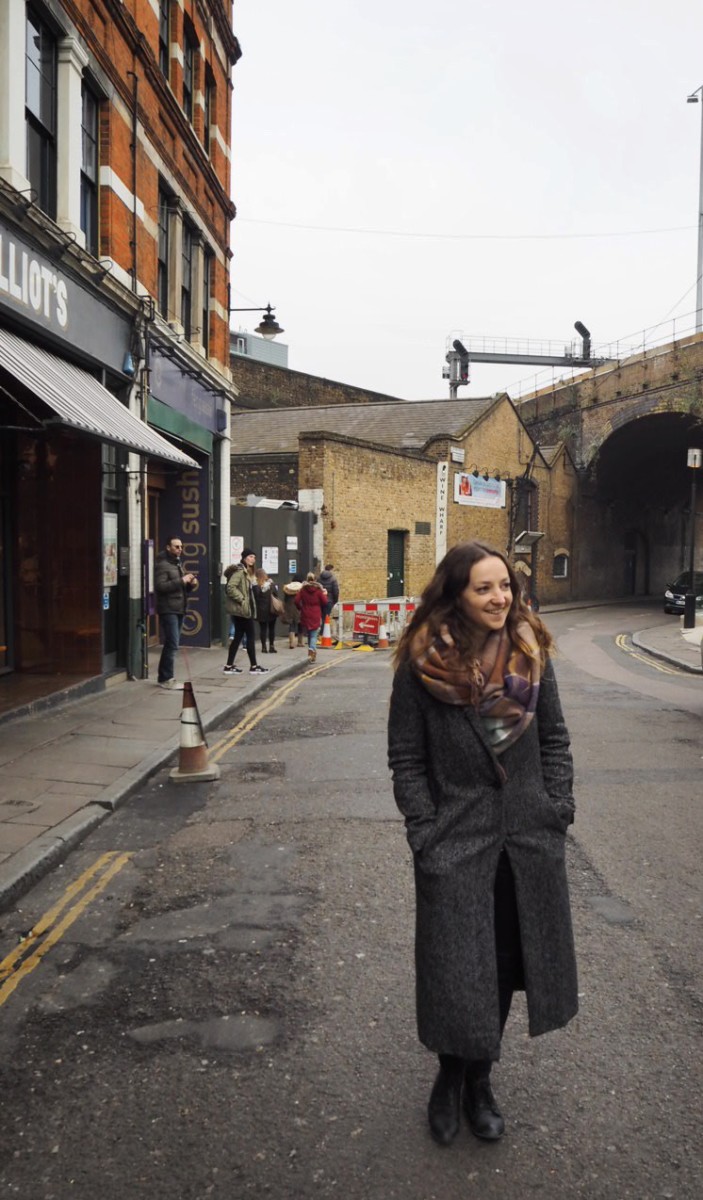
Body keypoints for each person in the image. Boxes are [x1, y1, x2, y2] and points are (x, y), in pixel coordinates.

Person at [387, 540, 577, 1147]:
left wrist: (558, 808)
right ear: (456, 595)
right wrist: (425, 832)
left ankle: (481, 1083)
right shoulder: (421, 668)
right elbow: (406, 759)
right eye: (485, 588)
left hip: (525, 838)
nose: (501, 599)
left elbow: (554, 740)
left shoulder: (531, 654)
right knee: (455, 968)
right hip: (456, 841)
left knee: (501, 966)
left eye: (506, 587)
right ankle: (449, 1079)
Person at [154, 536, 196, 689]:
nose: (180, 549)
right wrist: (182, 580)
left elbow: (181, 588)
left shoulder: (177, 564)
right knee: (172, 644)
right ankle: (166, 679)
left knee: (173, 644)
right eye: (176, 546)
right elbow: (160, 587)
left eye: (181, 546)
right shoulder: (162, 565)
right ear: (168, 547)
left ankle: (163, 677)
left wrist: (190, 584)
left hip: (179, 608)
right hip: (168, 609)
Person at [223, 549, 269, 676]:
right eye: (250, 556)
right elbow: (230, 588)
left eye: (254, 556)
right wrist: (242, 599)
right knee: (250, 636)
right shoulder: (240, 572)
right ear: (244, 558)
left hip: (243, 610)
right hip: (241, 610)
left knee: (238, 637)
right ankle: (253, 666)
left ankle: (229, 665)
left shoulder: (248, 573)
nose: (253, 559)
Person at [295, 572, 327, 663]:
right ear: (315, 580)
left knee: (310, 633)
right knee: (313, 635)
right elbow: (324, 602)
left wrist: (300, 608)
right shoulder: (318, 590)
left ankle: (311, 651)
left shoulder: (303, 590)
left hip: (305, 612)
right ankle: (312, 651)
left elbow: (296, 601)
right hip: (315, 613)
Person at [253, 568, 281, 654]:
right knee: (272, 628)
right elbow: (276, 594)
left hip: (261, 610)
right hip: (271, 609)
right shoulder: (270, 584)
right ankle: (272, 646)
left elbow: (256, 597)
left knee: (263, 629)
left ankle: (264, 647)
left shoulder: (255, 586)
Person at [282, 574, 304, 649]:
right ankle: (300, 642)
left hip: (290, 607)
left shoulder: (288, 587)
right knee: (300, 624)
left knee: (292, 625)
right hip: (299, 607)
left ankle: (291, 643)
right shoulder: (302, 587)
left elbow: (285, 599)